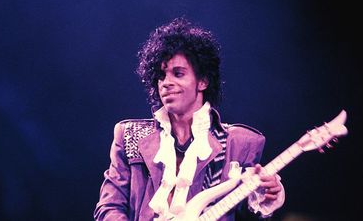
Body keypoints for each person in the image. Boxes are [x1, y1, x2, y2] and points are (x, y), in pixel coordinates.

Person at [94, 17, 285, 221]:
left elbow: (248, 213)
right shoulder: (130, 135)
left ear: (202, 81)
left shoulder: (239, 143)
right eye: (161, 76)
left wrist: (267, 197)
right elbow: (109, 207)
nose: (166, 83)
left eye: (178, 73)